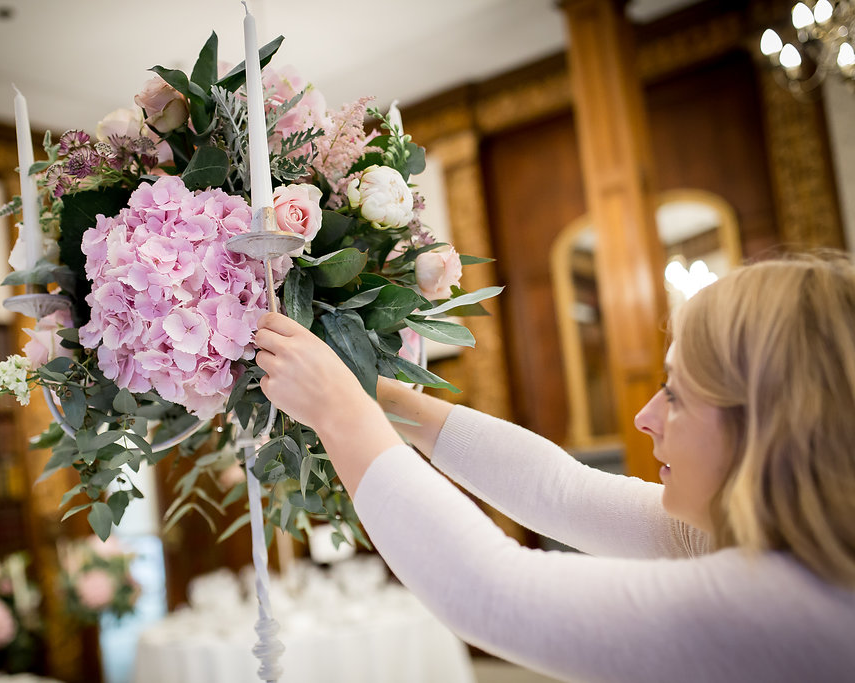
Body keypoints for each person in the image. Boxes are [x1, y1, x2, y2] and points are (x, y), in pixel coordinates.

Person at [254, 252, 855, 682]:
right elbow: (560, 490)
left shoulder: (799, 603)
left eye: (677, 393)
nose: (646, 418)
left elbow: (491, 593)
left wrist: (339, 413)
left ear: (769, 422)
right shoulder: (755, 539)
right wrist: (385, 400)